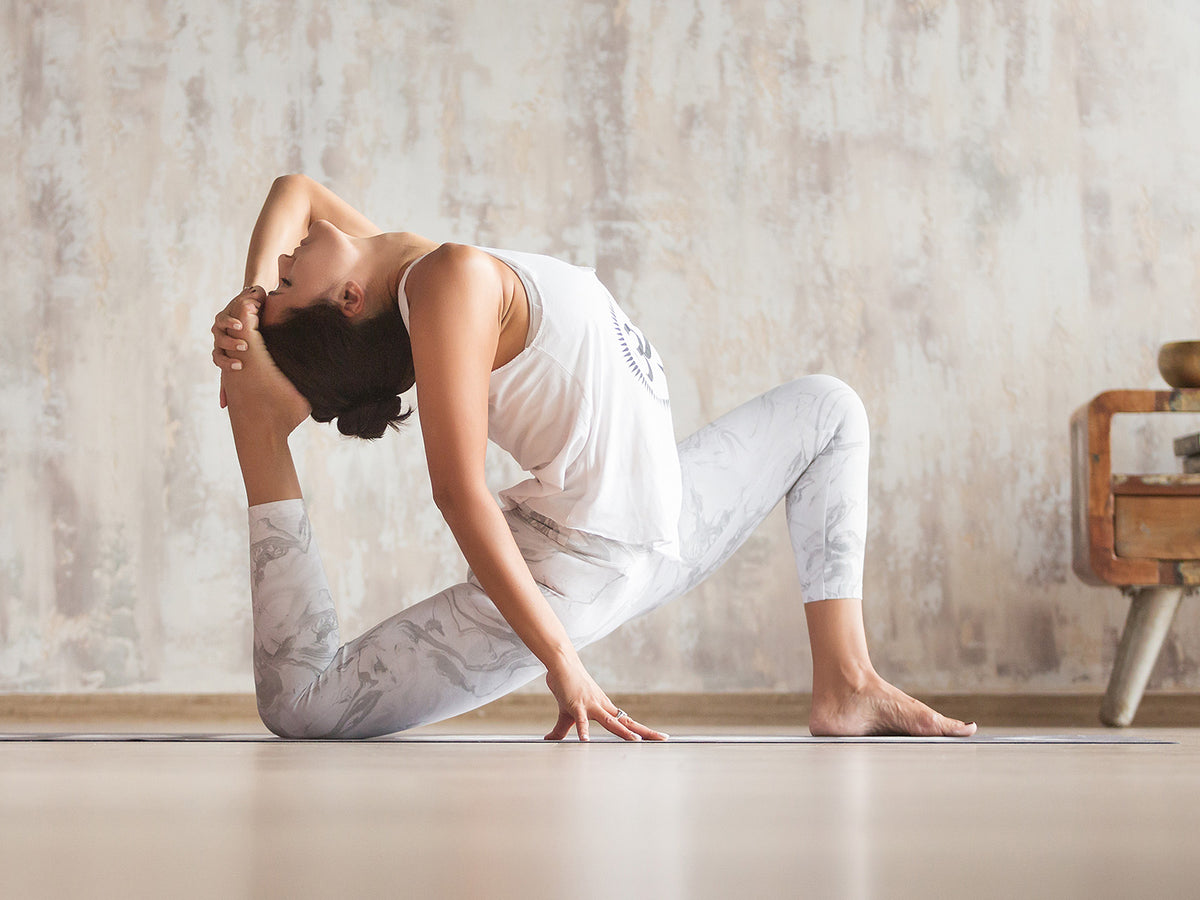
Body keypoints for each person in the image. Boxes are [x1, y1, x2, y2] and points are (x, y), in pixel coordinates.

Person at [210, 173, 977, 741]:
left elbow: (296, 192)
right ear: (346, 300)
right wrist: (559, 658)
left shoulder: (425, 280)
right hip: (569, 577)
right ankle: (259, 432)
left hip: (664, 525)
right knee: (302, 703)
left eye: (278, 274)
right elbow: (457, 491)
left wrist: (248, 299)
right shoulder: (446, 284)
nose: (281, 263)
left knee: (828, 408)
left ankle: (846, 680)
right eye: (285, 281)